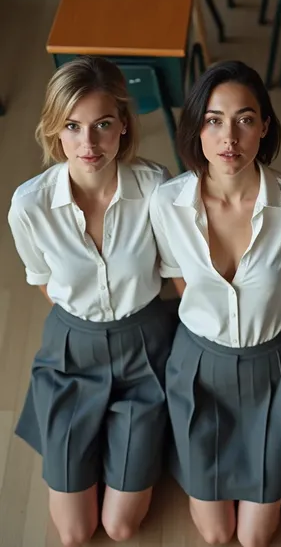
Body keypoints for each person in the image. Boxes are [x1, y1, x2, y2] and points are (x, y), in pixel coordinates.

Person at [150, 60, 281, 547]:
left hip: (272, 362)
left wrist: (267, 322)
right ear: (197, 127)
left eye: (245, 119)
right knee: (216, 533)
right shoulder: (167, 203)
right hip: (200, 363)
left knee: (255, 537)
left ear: (264, 126)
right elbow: (180, 279)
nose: (230, 136)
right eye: (214, 119)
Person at [8, 57, 175, 547]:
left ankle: (123, 440)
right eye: (73, 127)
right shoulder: (29, 205)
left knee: (122, 528)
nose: (89, 143)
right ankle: (89, 440)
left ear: (123, 125)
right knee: (76, 533)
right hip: (72, 351)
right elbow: (43, 281)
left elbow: (175, 270)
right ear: (55, 131)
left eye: (103, 124)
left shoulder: (156, 187)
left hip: (145, 345)